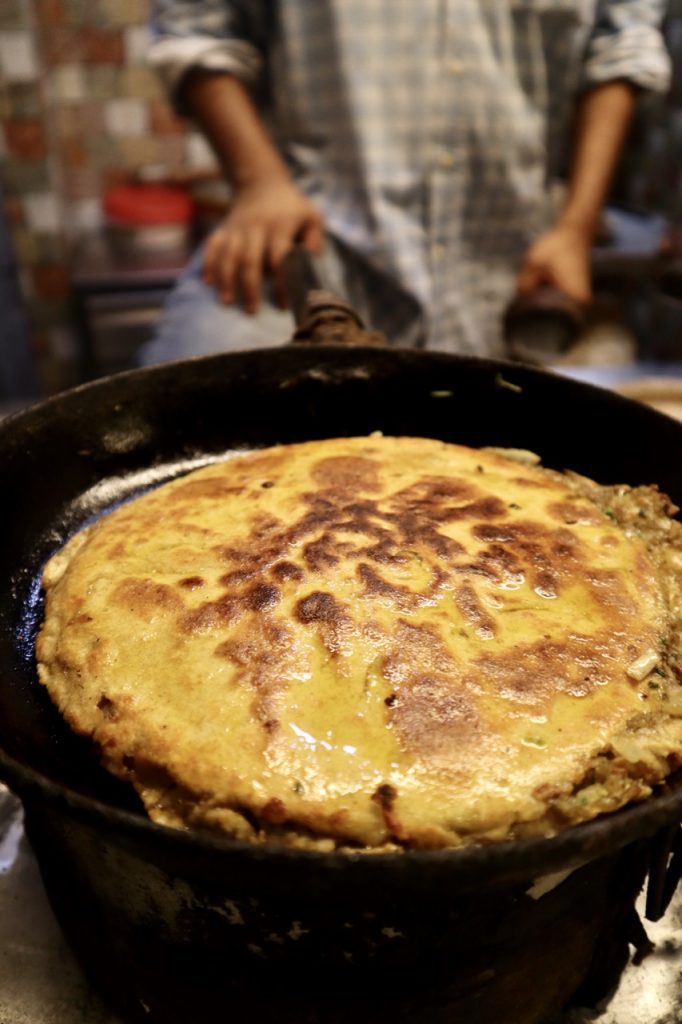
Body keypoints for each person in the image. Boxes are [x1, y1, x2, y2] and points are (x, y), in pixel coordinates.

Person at [140, 1, 671, 364]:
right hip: (311, 247)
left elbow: (619, 47)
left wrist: (575, 230)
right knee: (187, 414)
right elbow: (197, 27)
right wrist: (259, 183)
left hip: (515, 264)